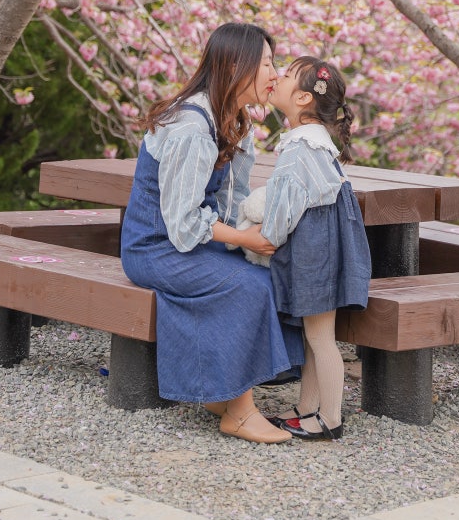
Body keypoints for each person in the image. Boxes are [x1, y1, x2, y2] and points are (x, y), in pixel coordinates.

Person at [120, 22, 304, 444]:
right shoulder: (190, 127)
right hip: (154, 247)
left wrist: (257, 231)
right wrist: (246, 241)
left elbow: (228, 198)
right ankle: (237, 413)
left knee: (270, 272)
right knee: (248, 285)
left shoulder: (232, 119)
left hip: (184, 243)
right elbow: (183, 227)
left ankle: (221, 394)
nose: (275, 74)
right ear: (237, 66)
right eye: (267, 64)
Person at [262, 56, 372, 441]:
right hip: (323, 242)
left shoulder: (301, 148)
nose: (275, 77)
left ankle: (330, 417)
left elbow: (284, 210)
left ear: (305, 97)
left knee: (322, 338)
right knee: (314, 334)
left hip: (316, 246)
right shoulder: (313, 142)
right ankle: (307, 407)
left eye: (286, 76)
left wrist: (264, 238)